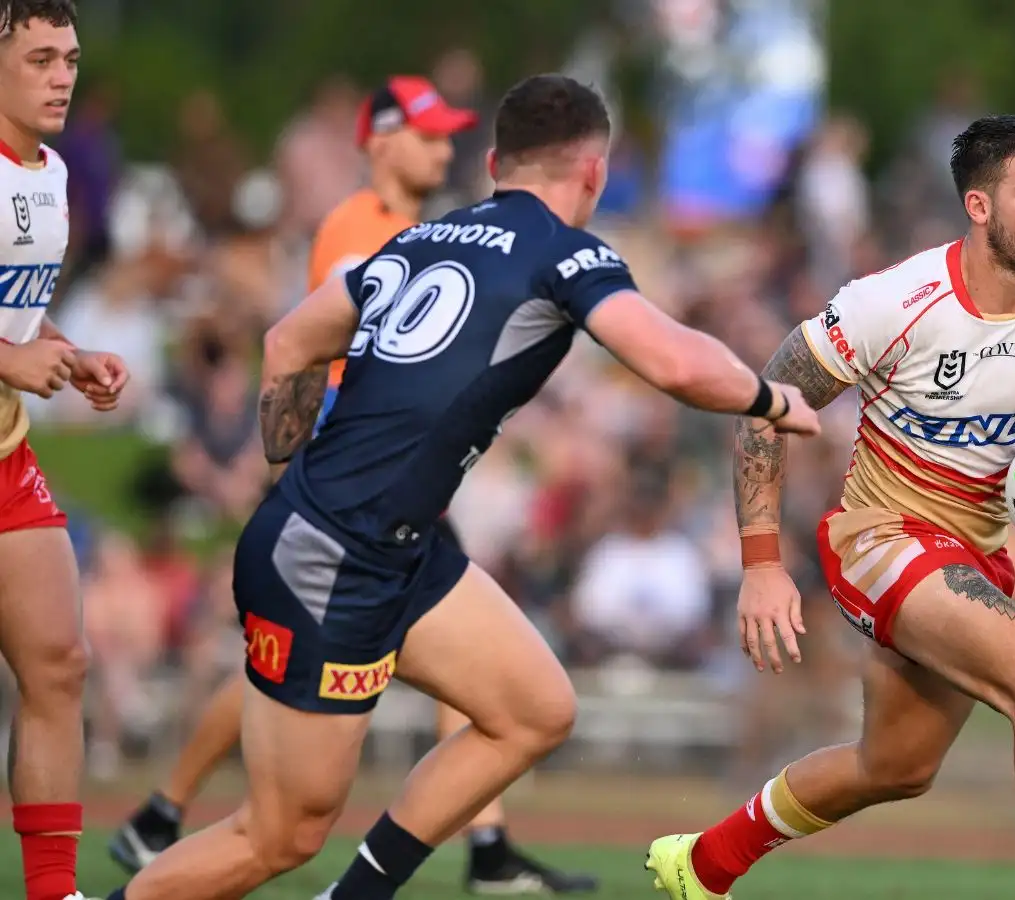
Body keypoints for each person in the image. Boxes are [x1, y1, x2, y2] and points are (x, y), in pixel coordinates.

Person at [105, 73, 820, 900]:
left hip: (378, 543)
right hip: (337, 555)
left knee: (535, 708)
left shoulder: (421, 237)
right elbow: (670, 359)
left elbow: (288, 340)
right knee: (278, 836)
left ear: (492, 162)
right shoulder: (567, 250)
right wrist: (772, 397)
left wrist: (288, 470)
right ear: (593, 171)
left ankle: (359, 894)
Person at [645, 115, 1015, 900]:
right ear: (978, 205)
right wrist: (761, 565)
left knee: (895, 768)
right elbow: (765, 404)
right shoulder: (893, 301)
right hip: (879, 538)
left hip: (976, 558)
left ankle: (702, 865)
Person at [108, 74, 598, 896]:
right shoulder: (363, 230)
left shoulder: (440, 230)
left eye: (450, 137)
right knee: (285, 807)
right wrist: (296, 478)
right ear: (377, 141)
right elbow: (315, 351)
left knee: (509, 692)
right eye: (425, 134)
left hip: (390, 506)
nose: (441, 150)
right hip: (345, 503)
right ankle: (164, 809)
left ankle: (472, 845)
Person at [0, 4, 131, 900]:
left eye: (71, 58)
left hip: (5, 450)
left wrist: (65, 349)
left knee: (60, 661)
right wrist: (14, 358)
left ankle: (53, 892)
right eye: (39, 56)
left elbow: (12, 310)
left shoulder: (46, 175)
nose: (61, 75)